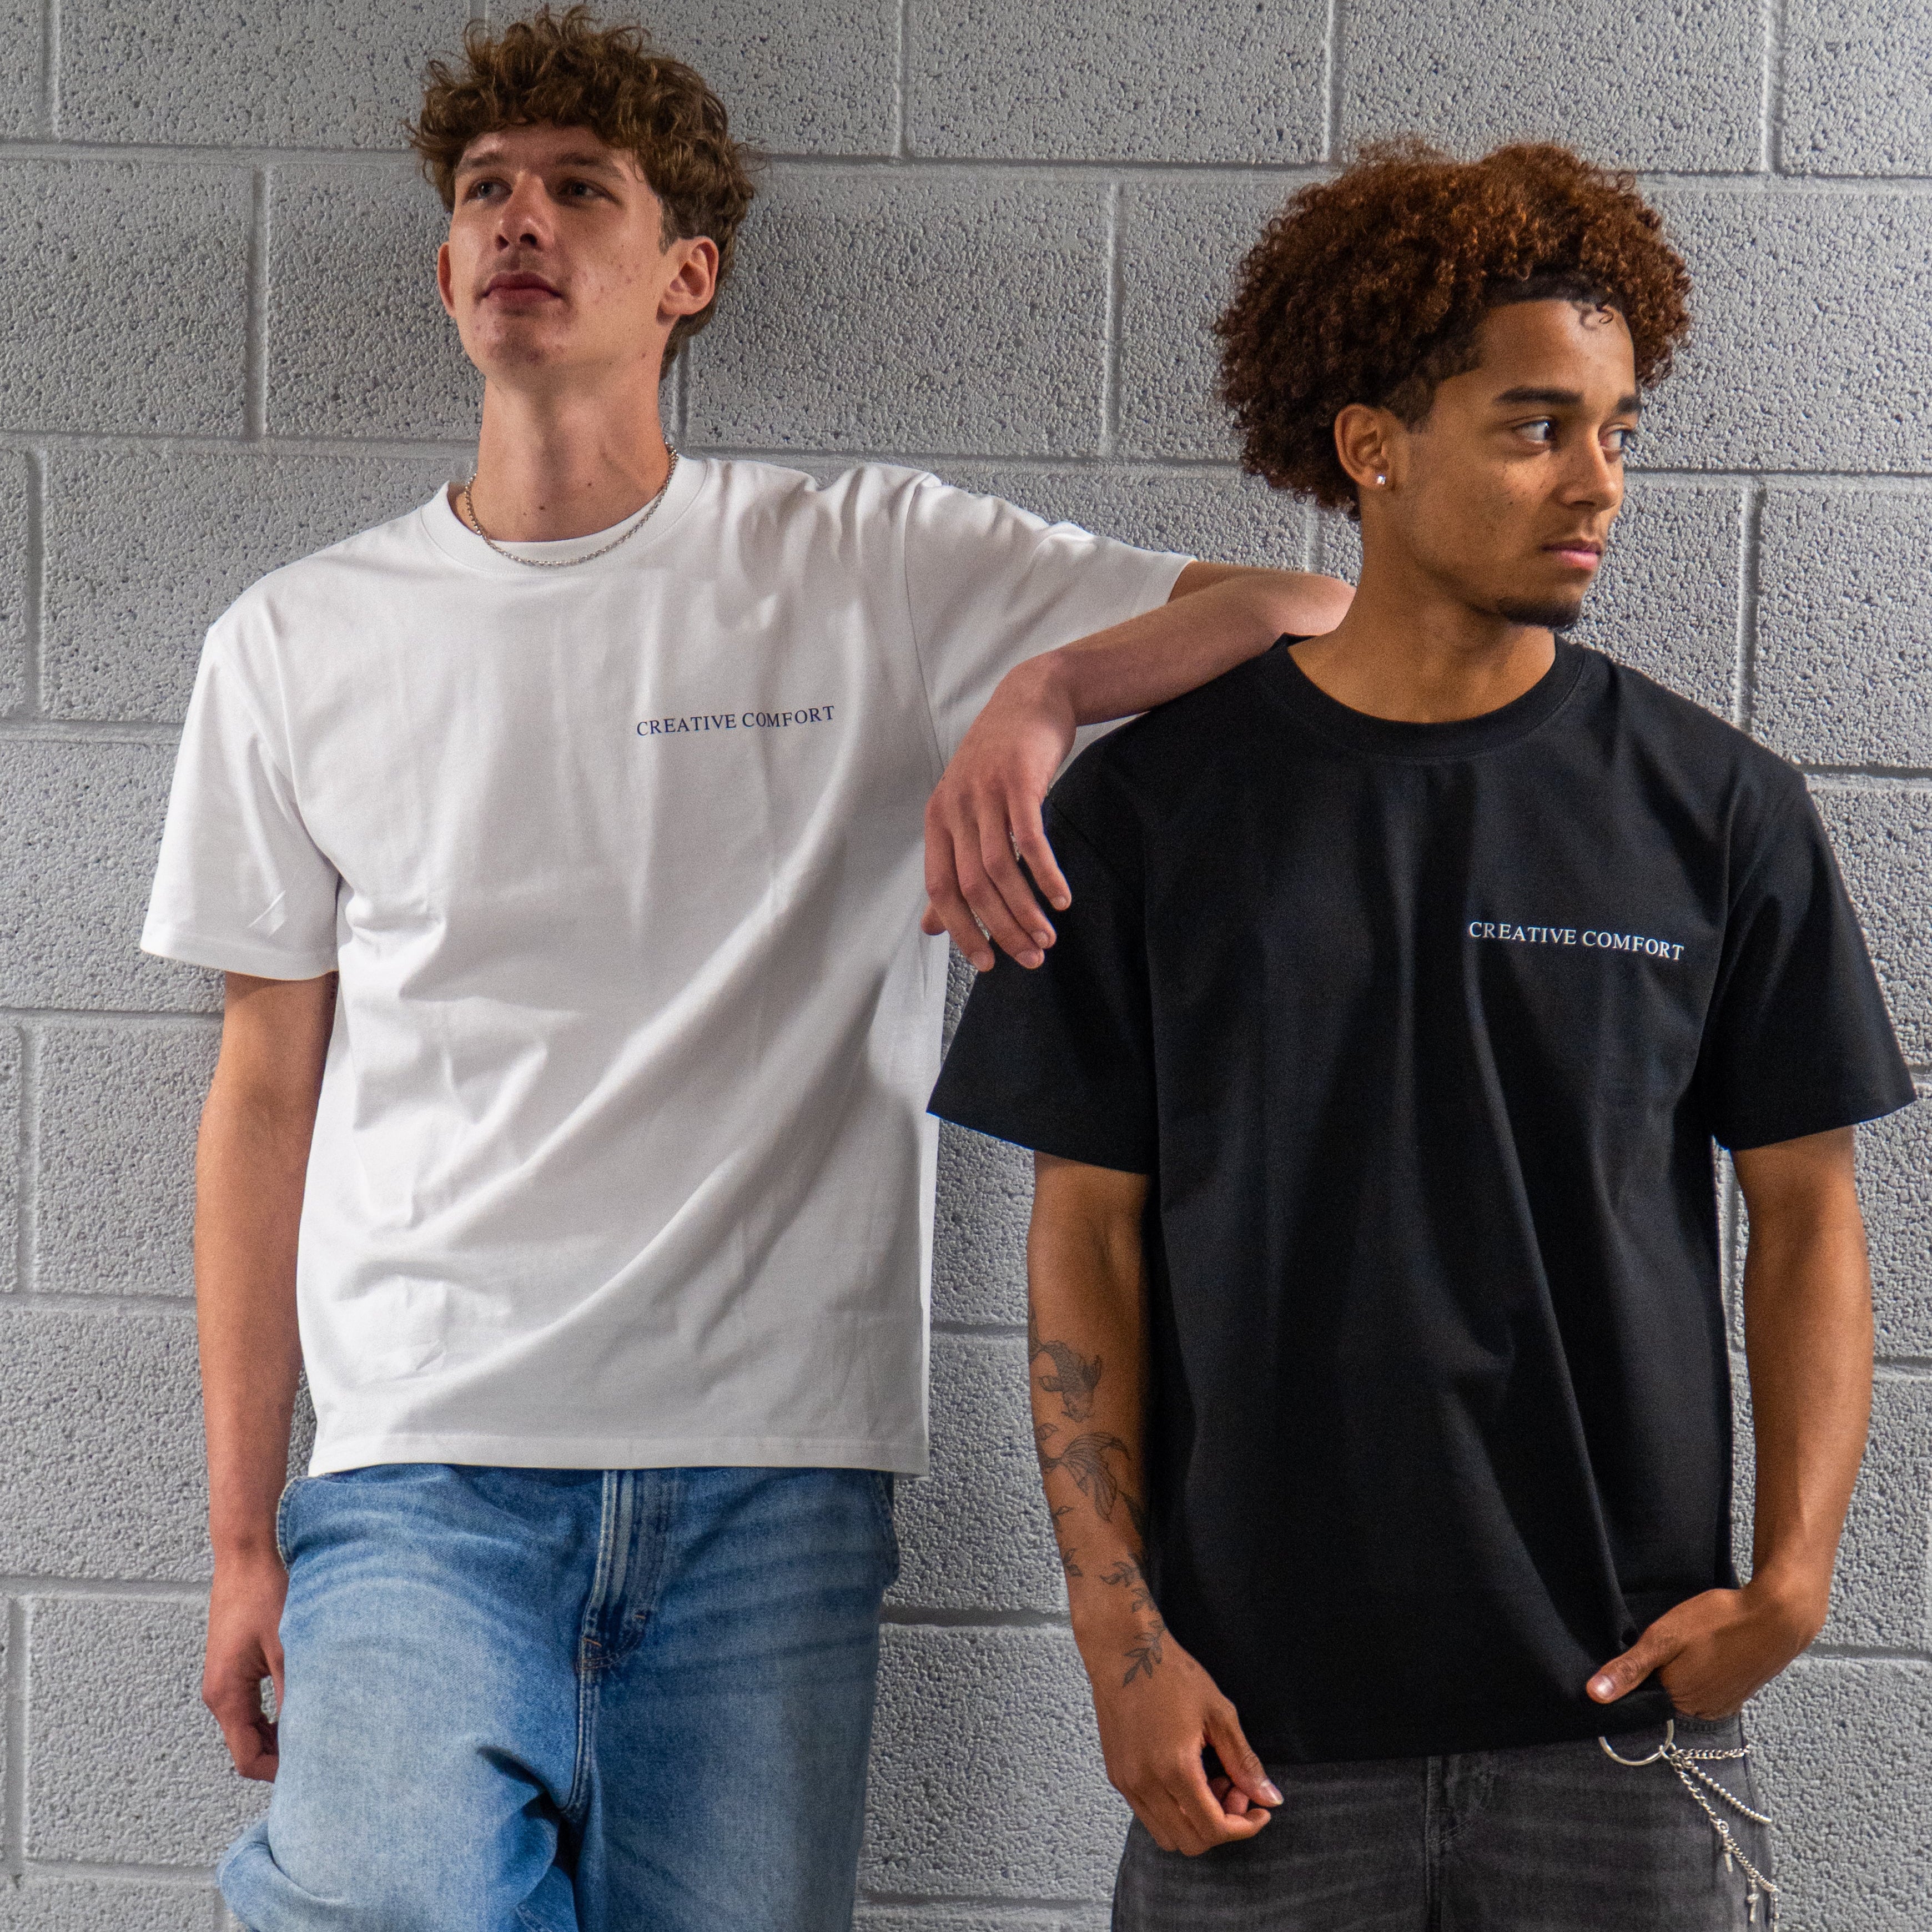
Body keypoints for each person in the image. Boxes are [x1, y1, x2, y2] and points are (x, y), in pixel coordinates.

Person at [139, 8, 1350, 1929]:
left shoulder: (866, 561)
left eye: (580, 191)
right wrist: (237, 1543)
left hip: (771, 1482)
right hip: (422, 1474)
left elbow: (1312, 605)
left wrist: (1044, 688)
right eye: (485, 191)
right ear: (446, 270)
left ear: (685, 275)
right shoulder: (293, 643)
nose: (521, 220)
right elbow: (262, 1099)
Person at [929, 140, 1915, 1930]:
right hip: (1257, 1740)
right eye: (1537, 427)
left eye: (1617, 430)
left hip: (1621, 1727)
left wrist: (1794, 1579)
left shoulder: (1720, 810)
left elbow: (1808, 1213)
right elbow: (1086, 1242)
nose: (1597, 482)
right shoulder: (1153, 817)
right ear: (1373, 447)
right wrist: (1118, 1636)